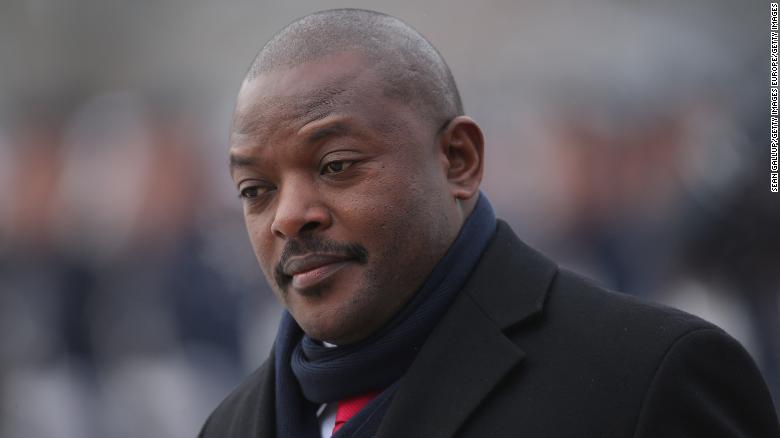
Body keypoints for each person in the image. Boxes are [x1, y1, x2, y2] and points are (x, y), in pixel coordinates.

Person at [199, 8, 779, 438]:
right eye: (256, 190)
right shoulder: (230, 425)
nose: (289, 217)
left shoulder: (649, 377)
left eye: (337, 165)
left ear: (459, 160)